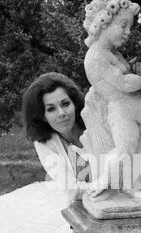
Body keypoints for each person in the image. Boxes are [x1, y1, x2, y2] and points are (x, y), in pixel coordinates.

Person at [83, 0, 141, 197]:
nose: (128, 31)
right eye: (123, 25)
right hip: (122, 112)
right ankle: (105, 180)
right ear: (103, 23)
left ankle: (132, 184)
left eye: (129, 26)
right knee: (124, 150)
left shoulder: (114, 54)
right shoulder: (95, 57)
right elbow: (123, 83)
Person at [22, 72, 92, 203]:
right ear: (42, 116)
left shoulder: (95, 125)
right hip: (82, 213)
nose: (61, 113)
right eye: (51, 109)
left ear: (75, 104)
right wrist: (107, 185)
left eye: (65, 104)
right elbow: (72, 190)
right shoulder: (44, 143)